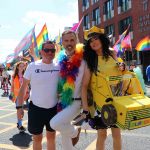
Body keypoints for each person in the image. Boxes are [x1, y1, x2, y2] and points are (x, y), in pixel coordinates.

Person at [81, 26, 122, 150]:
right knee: (102, 135)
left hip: (116, 100)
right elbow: (84, 86)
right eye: (90, 41)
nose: (93, 42)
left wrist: (122, 66)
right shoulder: (90, 60)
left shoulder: (112, 53)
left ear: (102, 39)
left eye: (95, 39)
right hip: (99, 104)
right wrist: (85, 109)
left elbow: (122, 69)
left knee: (117, 134)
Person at [17, 41, 59, 150]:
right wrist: (20, 107)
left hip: (53, 109)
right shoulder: (32, 66)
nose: (50, 52)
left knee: (51, 138)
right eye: (46, 50)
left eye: (52, 50)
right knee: (37, 139)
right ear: (41, 51)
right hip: (36, 109)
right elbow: (23, 88)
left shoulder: (59, 66)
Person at [50, 30, 85, 150]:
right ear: (62, 43)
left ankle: (75, 131)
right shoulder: (59, 59)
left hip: (76, 102)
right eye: (66, 40)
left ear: (77, 41)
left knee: (54, 123)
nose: (69, 43)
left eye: (72, 40)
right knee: (65, 138)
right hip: (62, 101)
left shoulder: (84, 58)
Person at [9, 61, 29, 132]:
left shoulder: (26, 74)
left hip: (24, 94)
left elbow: (27, 85)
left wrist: (28, 92)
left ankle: (19, 122)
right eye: (20, 66)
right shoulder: (14, 75)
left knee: (21, 111)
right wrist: (12, 94)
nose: (22, 67)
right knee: (19, 109)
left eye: (23, 66)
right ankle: (20, 125)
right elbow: (12, 86)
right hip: (17, 95)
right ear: (17, 67)